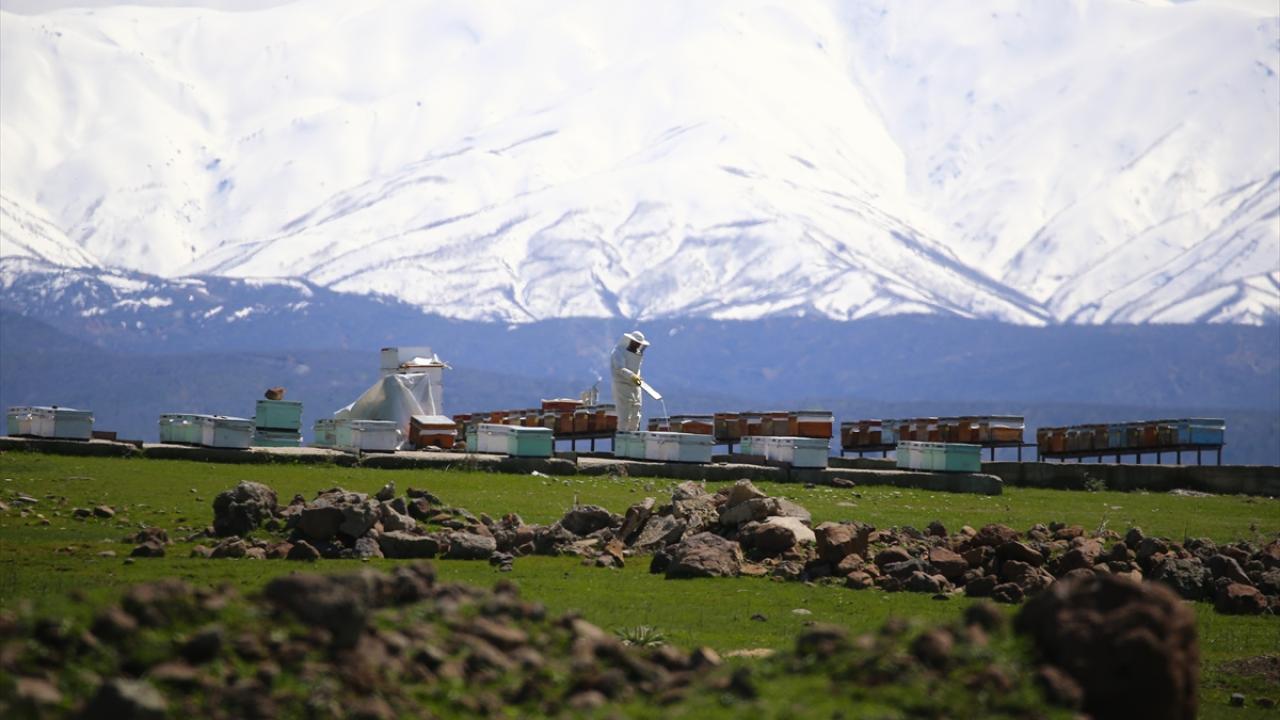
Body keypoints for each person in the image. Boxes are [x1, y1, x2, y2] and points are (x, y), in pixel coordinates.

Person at [610, 330, 649, 432]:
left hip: (635, 385)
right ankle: (623, 438)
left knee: (636, 413)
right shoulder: (618, 352)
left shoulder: (637, 354)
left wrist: (637, 378)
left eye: (639, 344)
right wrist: (632, 376)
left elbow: (637, 369)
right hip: (622, 385)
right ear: (630, 341)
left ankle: (633, 437)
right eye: (636, 343)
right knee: (625, 414)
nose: (637, 346)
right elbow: (619, 368)